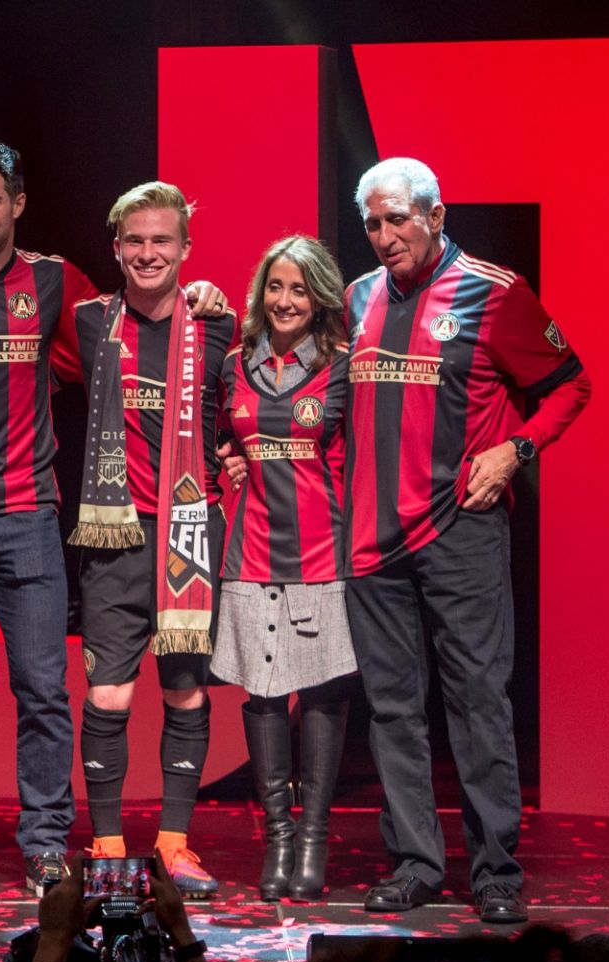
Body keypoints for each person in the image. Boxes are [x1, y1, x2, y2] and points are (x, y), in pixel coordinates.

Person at [0, 142, 230, 901]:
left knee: (65, 689)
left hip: (79, 518)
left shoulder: (187, 318)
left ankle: (75, 844)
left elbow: (247, 410)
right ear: (116, 247)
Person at [341, 157, 590, 923]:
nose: (385, 238)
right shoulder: (358, 299)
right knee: (392, 710)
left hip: (462, 531)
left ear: (436, 215)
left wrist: (516, 450)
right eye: (373, 224)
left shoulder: (495, 290)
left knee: (478, 703)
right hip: (372, 542)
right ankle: (416, 863)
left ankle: (496, 872)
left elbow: (571, 383)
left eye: (397, 220)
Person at [51, 181, 236, 899]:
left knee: (186, 694)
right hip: (114, 532)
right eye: (136, 241)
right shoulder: (90, 320)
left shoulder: (219, 325)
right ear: (117, 248)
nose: (149, 253)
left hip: (190, 530)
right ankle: (106, 844)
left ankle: (175, 844)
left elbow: (245, 412)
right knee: (109, 693)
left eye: (164, 241)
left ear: (185, 249)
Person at [211, 235, 357, 902]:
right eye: (276, 287)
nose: (286, 300)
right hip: (250, 553)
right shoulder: (234, 366)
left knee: (323, 694)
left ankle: (315, 838)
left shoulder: (342, 368)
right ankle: (278, 837)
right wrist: (225, 461)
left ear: (320, 298)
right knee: (263, 697)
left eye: (299, 289)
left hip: (323, 554)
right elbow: (218, 438)